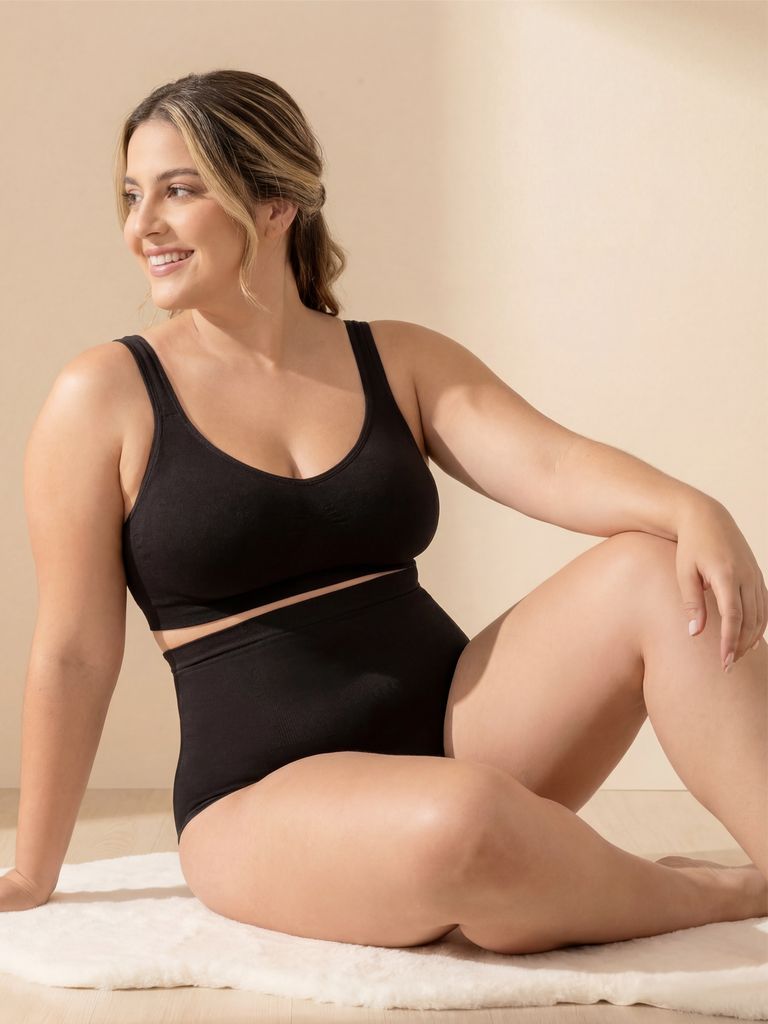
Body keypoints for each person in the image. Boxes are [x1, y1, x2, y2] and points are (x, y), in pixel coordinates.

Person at [2, 70, 766, 952]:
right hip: (263, 797)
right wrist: (32, 872)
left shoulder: (396, 359)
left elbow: (551, 464)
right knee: (463, 822)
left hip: (461, 732)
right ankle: (716, 895)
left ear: (276, 202)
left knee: (657, 569)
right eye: (134, 196)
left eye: (179, 190)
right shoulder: (104, 395)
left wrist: (695, 509)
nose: (143, 227)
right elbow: (73, 652)